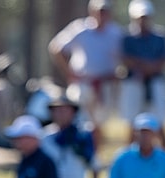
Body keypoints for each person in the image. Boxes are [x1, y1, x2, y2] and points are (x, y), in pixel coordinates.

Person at [48, 0, 123, 144]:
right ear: (92, 11)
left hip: (104, 85)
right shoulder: (80, 29)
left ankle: (94, 157)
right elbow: (56, 48)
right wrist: (69, 72)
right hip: (83, 84)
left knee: (99, 123)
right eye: (99, 11)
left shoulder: (116, 33)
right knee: (77, 120)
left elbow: (124, 57)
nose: (102, 15)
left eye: (105, 11)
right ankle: (74, 151)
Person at [119, 0, 165, 146]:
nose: (143, 21)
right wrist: (144, 66)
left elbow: (164, 60)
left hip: (154, 82)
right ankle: (130, 155)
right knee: (132, 121)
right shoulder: (127, 37)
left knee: (160, 120)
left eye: (145, 17)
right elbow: (126, 59)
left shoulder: (160, 36)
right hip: (134, 83)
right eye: (140, 18)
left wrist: (148, 68)